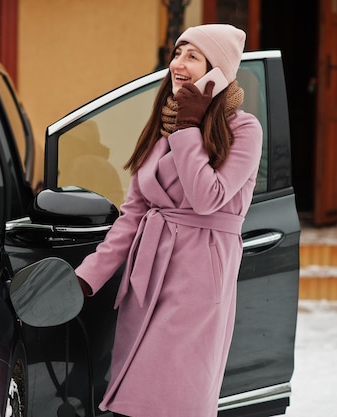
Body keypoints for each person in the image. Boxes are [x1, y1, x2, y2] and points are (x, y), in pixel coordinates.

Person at [74, 24, 262, 417]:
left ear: (218, 70)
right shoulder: (164, 130)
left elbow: (207, 197)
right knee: (135, 396)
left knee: (172, 397)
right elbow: (134, 215)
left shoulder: (243, 129)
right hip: (149, 275)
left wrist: (190, 128)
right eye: (177, 53)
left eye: (192, 56)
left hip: (197, 278)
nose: (178, 63)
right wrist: (88, 276)